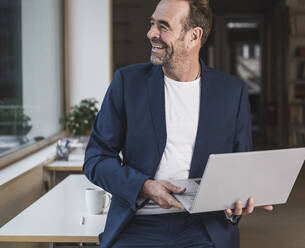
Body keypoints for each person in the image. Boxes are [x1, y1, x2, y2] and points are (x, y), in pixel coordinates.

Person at [83, 0, 273, 247]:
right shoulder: (127, 83)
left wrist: (237, 202)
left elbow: (240, 164)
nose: (151, 33)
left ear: (194, 36)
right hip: (138, 225)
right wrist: (144, 186)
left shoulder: (232, 91)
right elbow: (96, 159)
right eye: (152, 23)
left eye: (163, 26)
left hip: (203, 228)